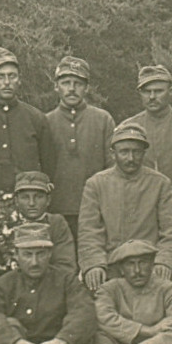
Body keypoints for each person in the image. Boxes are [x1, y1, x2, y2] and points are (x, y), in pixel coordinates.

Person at [78, 121, 172, 293]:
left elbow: (170, 231)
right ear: (113, 153)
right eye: (124, 152)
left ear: (144, 153)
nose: (131, 158)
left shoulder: (160, 183)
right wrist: (94, 264)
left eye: (136, 152)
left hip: (149, 266)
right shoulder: (95, 184)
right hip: (111, 266)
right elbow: (89, 232)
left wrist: (164, 260)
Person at [43, 55, 115, 240]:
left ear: (87, 88)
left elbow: (112, 166)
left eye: (78, 83)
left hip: (95, 209)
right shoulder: (45, 121)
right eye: (66, 82)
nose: (72, 89)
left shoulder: (103, 119)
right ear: (56, 86)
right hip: (57, 210)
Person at [0, 47, 56, 192]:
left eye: (12, 76)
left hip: (28, 201)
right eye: (0, 76)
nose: (7, 82)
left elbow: (49, 166)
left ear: (19, 79)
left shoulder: (36, 118)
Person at [125, 64, 172, 185]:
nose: (152, 97)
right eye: (146, 92)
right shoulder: (129, 127)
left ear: (170, 91)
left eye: (158, 91)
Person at [13, 171, 77, 277]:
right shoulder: (7, 223)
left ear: (48, 200)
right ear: (16, 201)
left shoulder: (56, 223)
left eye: (38, 197)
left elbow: (66, 266)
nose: (32, 203)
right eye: (25, 197)